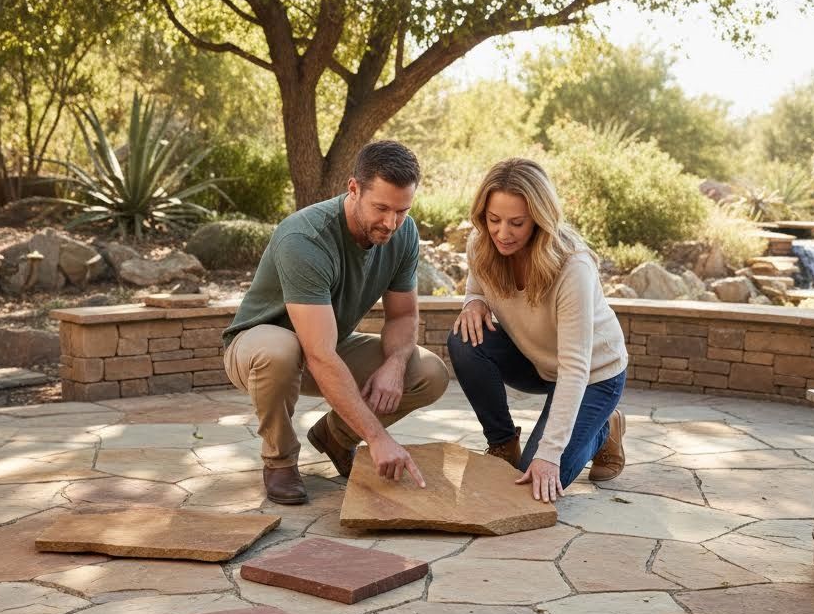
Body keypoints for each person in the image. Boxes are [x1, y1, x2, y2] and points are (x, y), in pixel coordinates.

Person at [223, 140, 448, 504]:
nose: (391, 222)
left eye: (402, 211)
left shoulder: (403, 234)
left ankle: (335, 437)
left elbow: (404, 315)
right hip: (258, 348)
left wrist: (394, 363)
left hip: (324, 344)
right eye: (381, 208)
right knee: (283, 349)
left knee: (428, 372)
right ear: (353, 188)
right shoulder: (305, 239)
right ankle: (279, 460)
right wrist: (378, 438)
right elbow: (320, 354)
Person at [448, 158, 628, 503]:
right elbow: (475, 290)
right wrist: (473, 303)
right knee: (464, 338)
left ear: (540, 219)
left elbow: (575, 367)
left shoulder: (572, 266)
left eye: (517, 222)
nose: (502, 233)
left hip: (593, 374)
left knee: (534, 484)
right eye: (493, 219)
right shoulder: (482, 244)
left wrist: (549, 454)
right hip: (537, 362)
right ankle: (502, 443)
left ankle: (604, 427)